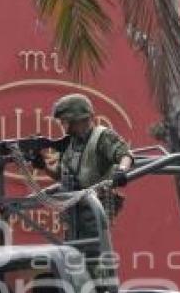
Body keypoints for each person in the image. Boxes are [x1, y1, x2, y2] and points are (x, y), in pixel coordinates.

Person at [35, 93, 133, 242]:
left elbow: (125, 154)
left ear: (76, 119)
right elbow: (60, 175)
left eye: (64, 121)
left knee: (93, 255)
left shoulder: (101, 137)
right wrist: (44, 166)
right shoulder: (70, 144)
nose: (63, 125)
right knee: (72, 256)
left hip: (94, 210)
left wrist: (121, 171)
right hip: (73, 212)